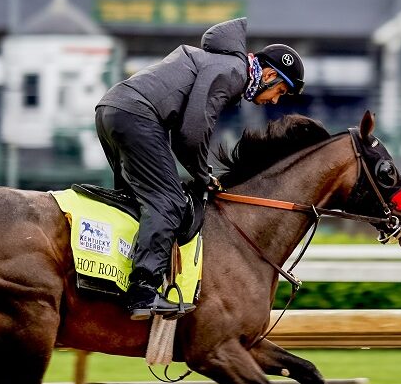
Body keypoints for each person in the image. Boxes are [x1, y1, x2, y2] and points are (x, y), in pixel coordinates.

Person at [95, 17, 305, 320]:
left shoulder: (220, 63)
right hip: (136, 114)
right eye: (280, 92)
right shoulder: (232, 72)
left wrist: (200, 172)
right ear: (270, 74)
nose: (273, 101)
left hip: (112, 109)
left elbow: (186, 135)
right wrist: (205, 176)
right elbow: (192, 134)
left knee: (136, 202)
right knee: (168, 202)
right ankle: (143, 290)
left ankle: (107, 277)